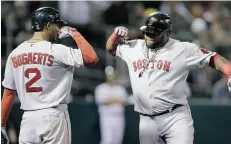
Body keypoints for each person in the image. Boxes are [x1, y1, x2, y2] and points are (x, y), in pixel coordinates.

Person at [106, 12, 231, 144]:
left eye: (154, 33)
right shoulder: (134, 46)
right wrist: (115, 37)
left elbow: (212, 58)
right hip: (147, 121)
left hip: (176, 117)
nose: (149, 36)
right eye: (147, 32)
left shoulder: (182, 49)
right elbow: (111, 49)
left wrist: (229, 71)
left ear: (167, 33)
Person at [1, 7, 98, 144]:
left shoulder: (15, 53)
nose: (59, 28)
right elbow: (91, 58)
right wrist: (73, 32)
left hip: (28, 120)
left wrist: (1, 125)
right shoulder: (56, 50)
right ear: (47, 25)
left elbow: (9, 93)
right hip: (54, 117)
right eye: (57, 25)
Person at [94, 66, 128, 144]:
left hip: (119, 117)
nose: (111, 77)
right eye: (109, 75)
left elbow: (124, 101)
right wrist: (116, 100)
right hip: (107, 117)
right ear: (106, 76)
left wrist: (111, 100)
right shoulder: (101, 88)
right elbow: (103, 100)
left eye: (112, 75)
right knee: (107, 140)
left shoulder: (120, 88)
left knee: (118, 140)